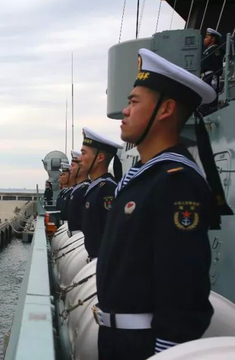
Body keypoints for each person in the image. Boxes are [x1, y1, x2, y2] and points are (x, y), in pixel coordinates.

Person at [95, 48, 232, 360]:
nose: (125, 111)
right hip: (116, 340)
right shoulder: (145, 178)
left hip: (142, 345)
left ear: (166, 109)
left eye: (133, 102)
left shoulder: (175, 181)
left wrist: (166, 353)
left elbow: (183, 287)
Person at [79, 127, 123, 259]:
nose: (79, 158)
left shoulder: (107, 189)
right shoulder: (97, 186)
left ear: (100, 157)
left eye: (83, 153)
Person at [66, 150, 90, 233]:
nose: (70, 169)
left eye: (72, 166)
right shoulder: (78, 189)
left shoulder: (85, 189)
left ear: (81, 167)